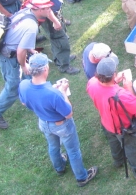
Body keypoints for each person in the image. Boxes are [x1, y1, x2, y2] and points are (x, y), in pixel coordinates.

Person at [19, 53, 98, 187]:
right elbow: (68, 113)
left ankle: (59, 167)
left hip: (44, 122)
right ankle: (82, 177)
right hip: (61, 125)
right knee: (73, 151)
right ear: (45, 69)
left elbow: (24, 103)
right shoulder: (53, 94)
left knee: (53, 146)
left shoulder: (24, 85)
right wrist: (62, 91)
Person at [0, 0, 56, 129]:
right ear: (39, 9)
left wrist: (30, 50)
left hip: (9, 47)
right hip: (8, 56)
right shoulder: (32, 27)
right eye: (47, 7)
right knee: (13, 86)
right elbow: (20, 51)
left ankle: (32, 98)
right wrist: (24, 65)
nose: (49, 10)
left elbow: (18, 35)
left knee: (29, 76)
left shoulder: (25, 11)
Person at [86, 57, 136, 178]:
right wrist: (128, 87)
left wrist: (114, 82)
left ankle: (118, 161)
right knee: (134, 148)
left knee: (114, 142)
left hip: (107, 123)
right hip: (124, 128)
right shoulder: (121, 95)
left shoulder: (92, 83)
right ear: (113, 74)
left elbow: (104, 89)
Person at [31, 0, 80, 74]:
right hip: (50, 17)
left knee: (56, 39)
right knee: (61, 40)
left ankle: (60, 58)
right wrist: (55, 21)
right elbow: (45, 9)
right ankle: (64, 66)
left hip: (54, 13)